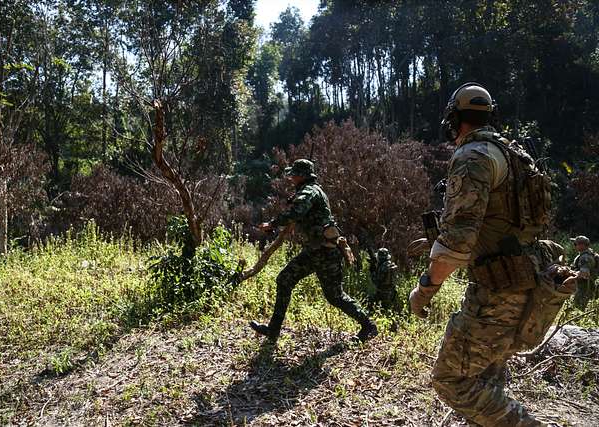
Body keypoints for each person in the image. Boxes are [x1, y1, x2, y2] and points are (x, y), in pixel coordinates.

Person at [408, 82, 574, 426]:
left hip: (498, 294)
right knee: (486, 377)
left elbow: (457, 244)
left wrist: (423, 290)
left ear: (455, 120)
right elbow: (503, 227)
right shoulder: (514, 155)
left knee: (451, 379)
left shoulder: (473, 156)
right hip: (529, 283)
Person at [250, 159, 378, 343]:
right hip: (315, 251)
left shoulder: (309, 191)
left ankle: (369, 326)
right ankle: (273, 330)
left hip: (325, 253)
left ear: (302, 175)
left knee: (335, 296)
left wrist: (272, 224)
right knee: (285, 280)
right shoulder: (312, 190)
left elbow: (297, 211)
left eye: (293, 174)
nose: (291, 178)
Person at [570, 235, 598, 310]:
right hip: (582, 286)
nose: (574, 246)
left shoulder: (585, 257)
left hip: (583, 288)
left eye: (576, 244)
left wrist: (570, 275)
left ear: (582, 245)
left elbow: (584, 274)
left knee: (578, 308)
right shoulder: (585, 255)